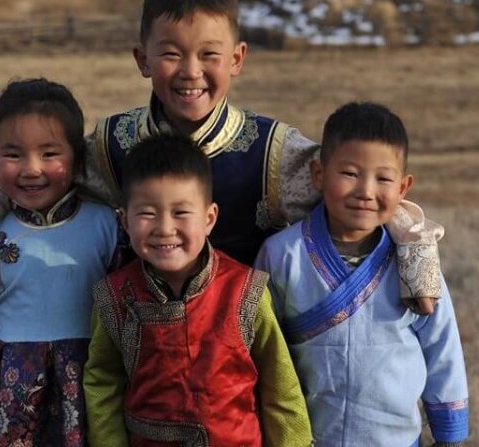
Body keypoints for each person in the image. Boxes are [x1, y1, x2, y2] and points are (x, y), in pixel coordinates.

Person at [0, 0, 442, 312]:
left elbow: (361, 190)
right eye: (172, 54)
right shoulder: (112, 146)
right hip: (136, 353)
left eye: (209, 55)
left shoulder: (273, 151)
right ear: (142, 59)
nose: (190, 73)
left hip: (241, 363)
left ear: (238, 59)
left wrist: (419, 264)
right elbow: (34, 179)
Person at [255, 102, 469, 447]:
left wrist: (449, 433)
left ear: (403, 187)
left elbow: (442, 344)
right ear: (318, 174)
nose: (365, 191)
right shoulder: (282, 254)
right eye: (350, 174)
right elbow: (262, 347)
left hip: (395, 439)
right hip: (309, 437)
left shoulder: (415, 261)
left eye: (383, 178)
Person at [84, 133, 312, 446]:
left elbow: (280, 388)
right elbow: (102, 385)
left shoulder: (245, 292)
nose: (165, 228)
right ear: (124, 221)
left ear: (209, 218)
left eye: (180, 213)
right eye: (147, 213)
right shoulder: (114, 297)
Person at [0, 78, 122, 446]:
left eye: (50, 153)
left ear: (77, 158)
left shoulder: (107, 225)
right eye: (13, 154)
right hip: (8, 398)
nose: (31, 169)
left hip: (89, 391)